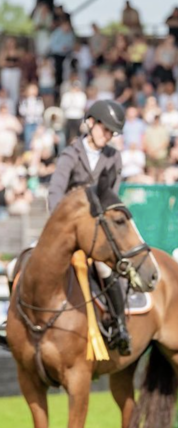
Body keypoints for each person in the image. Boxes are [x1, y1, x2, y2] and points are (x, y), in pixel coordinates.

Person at [47, 100, 131, 355]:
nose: (108, 136)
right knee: (27, 259)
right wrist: (60, 229)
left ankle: (119, 324)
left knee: (107, 267)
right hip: (67, 229)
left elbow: (112, 199)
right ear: (91, 123)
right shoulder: (70, 155)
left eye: (112, 133)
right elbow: (55, 193)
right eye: (105, 129)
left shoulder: (113, 157)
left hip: (96, 234)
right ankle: (14, 323)